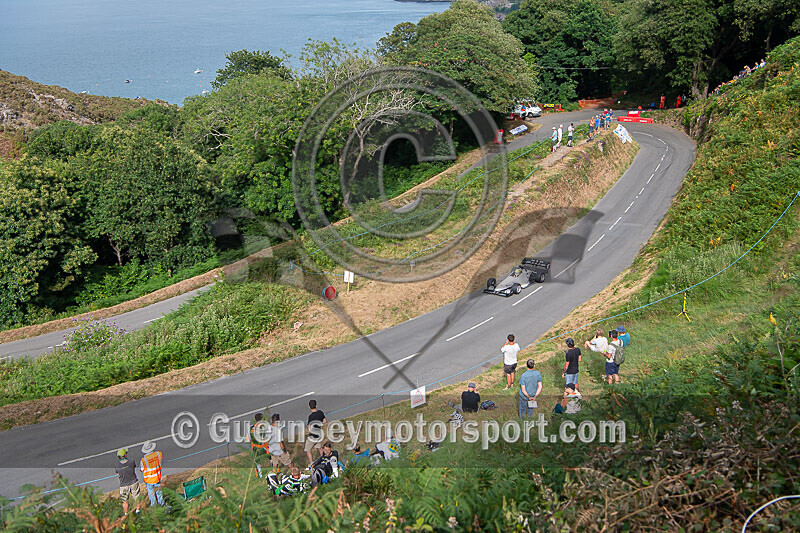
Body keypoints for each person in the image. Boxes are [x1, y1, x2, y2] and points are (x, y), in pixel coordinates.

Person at [138, 441, 164, 507]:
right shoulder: (158, 454)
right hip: (157, 477)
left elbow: (141, 469)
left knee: (151, 493)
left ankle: (153, 505)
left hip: (149, 480)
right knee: (159, 491)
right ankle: (161, 503)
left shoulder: (144, 460)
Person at [115, 448, 140, 515]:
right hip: (133, 482)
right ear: (125, 455)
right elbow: (134, 467)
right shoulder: (131, 461)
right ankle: (138, 511)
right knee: (136, 497)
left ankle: (126, 513)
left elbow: (117, 473)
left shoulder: (117, 465)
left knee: (125, 501)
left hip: (124, 484)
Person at [305, 399, 327, 466]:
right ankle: (323, 459)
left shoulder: (310, 416)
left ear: (309, 406)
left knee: (308, 449)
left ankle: (312, 463)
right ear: (316, 405)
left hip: (312, 435)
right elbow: (325, 421)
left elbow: (309, 428)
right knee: (319, 447)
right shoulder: (320, 412)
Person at [250, 412, 270, 478]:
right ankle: (275, 470)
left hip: (255, 448)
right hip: (262, 447)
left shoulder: (251, 428)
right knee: (272, 457)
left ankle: (259, 475)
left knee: (257, 462)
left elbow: (248, 438)